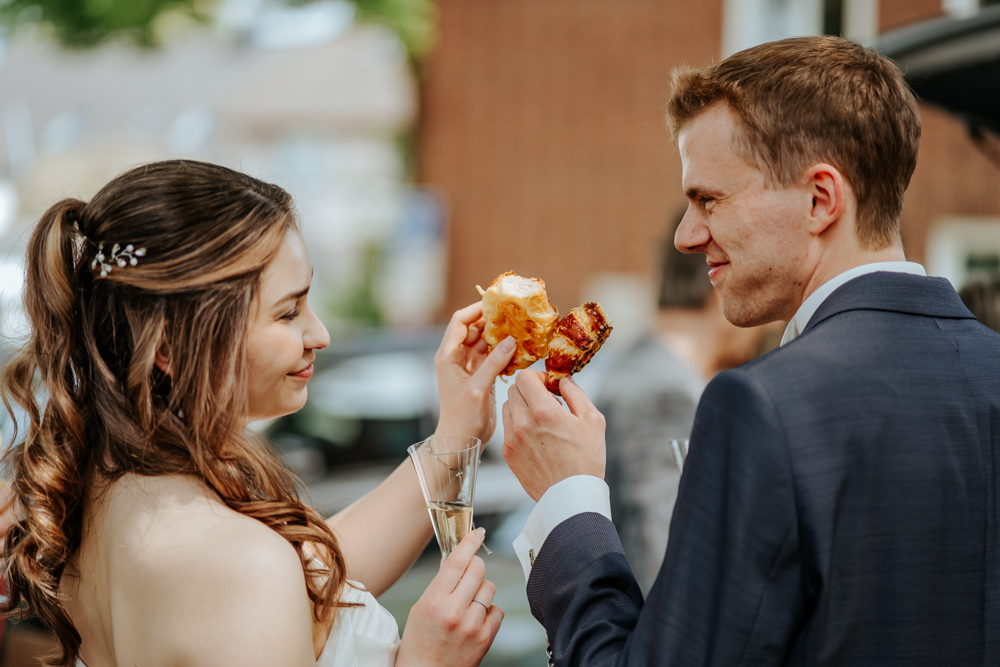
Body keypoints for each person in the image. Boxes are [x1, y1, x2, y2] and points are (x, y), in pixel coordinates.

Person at [502, 36, 1000, 666]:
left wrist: (567, 496)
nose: (686, 236)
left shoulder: (762, 406)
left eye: (709, 199)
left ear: (821, 199)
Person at [0, 160, 516, 667]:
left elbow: (317, 577)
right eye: (289, 311)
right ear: (171, 347)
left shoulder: (98, 505)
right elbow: (263, 582)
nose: (320, 335)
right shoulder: (242, 569)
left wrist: (455, 434)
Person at [597, 217, 774, 593]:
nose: (767, 326)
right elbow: (665, 561)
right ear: (716, 283)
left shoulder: (643, 371)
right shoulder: (662, 393)